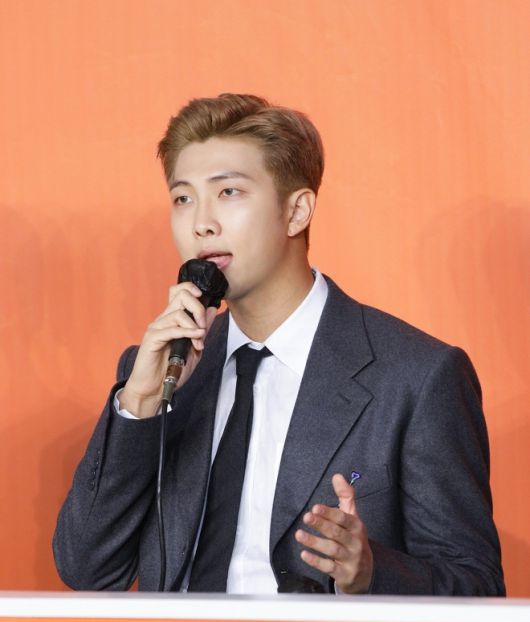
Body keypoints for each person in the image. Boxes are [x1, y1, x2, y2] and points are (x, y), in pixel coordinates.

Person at [53, 93, 504, 595]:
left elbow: (476, 585)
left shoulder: (416, 376)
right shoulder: (162, 371)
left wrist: (371, 572)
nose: (201, 222)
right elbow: (88, 569)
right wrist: (139, 404)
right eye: (183, 198)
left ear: (296, 211)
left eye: (228, 192)